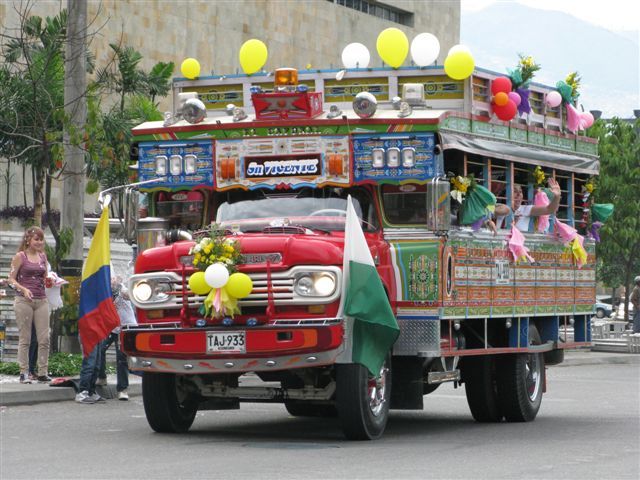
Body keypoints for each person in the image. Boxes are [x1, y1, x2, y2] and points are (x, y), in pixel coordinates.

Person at [8, 226, 51, 383]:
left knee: (44, 338)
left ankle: (42, 372)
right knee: (25, 337)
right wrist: (23, 289)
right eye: (36, 239)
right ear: (28, 240)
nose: (39, 242)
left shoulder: (43, 257)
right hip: (23, 300)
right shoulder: (20, 256)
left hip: (41, 299)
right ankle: (24, 372)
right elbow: (10, 279)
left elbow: (46, 277)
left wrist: (51, 280)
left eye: (41, 239)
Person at [96, 276, 137, 401]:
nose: (111, 281)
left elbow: (128, 295)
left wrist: (119, 285)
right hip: (112, 327)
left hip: (125, 327)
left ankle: (122, 389)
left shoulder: (122, 289)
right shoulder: (105, 293)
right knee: (100, 349)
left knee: (121, 358)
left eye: (113, 279)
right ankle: (102, 378)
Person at [494, 178, 562, 232]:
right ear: (506, 194)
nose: (518, 194)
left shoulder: (525, 209)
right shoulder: (502, 207)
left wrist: (557, 196)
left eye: (520, 192)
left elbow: (549, 210)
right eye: (515, 191)